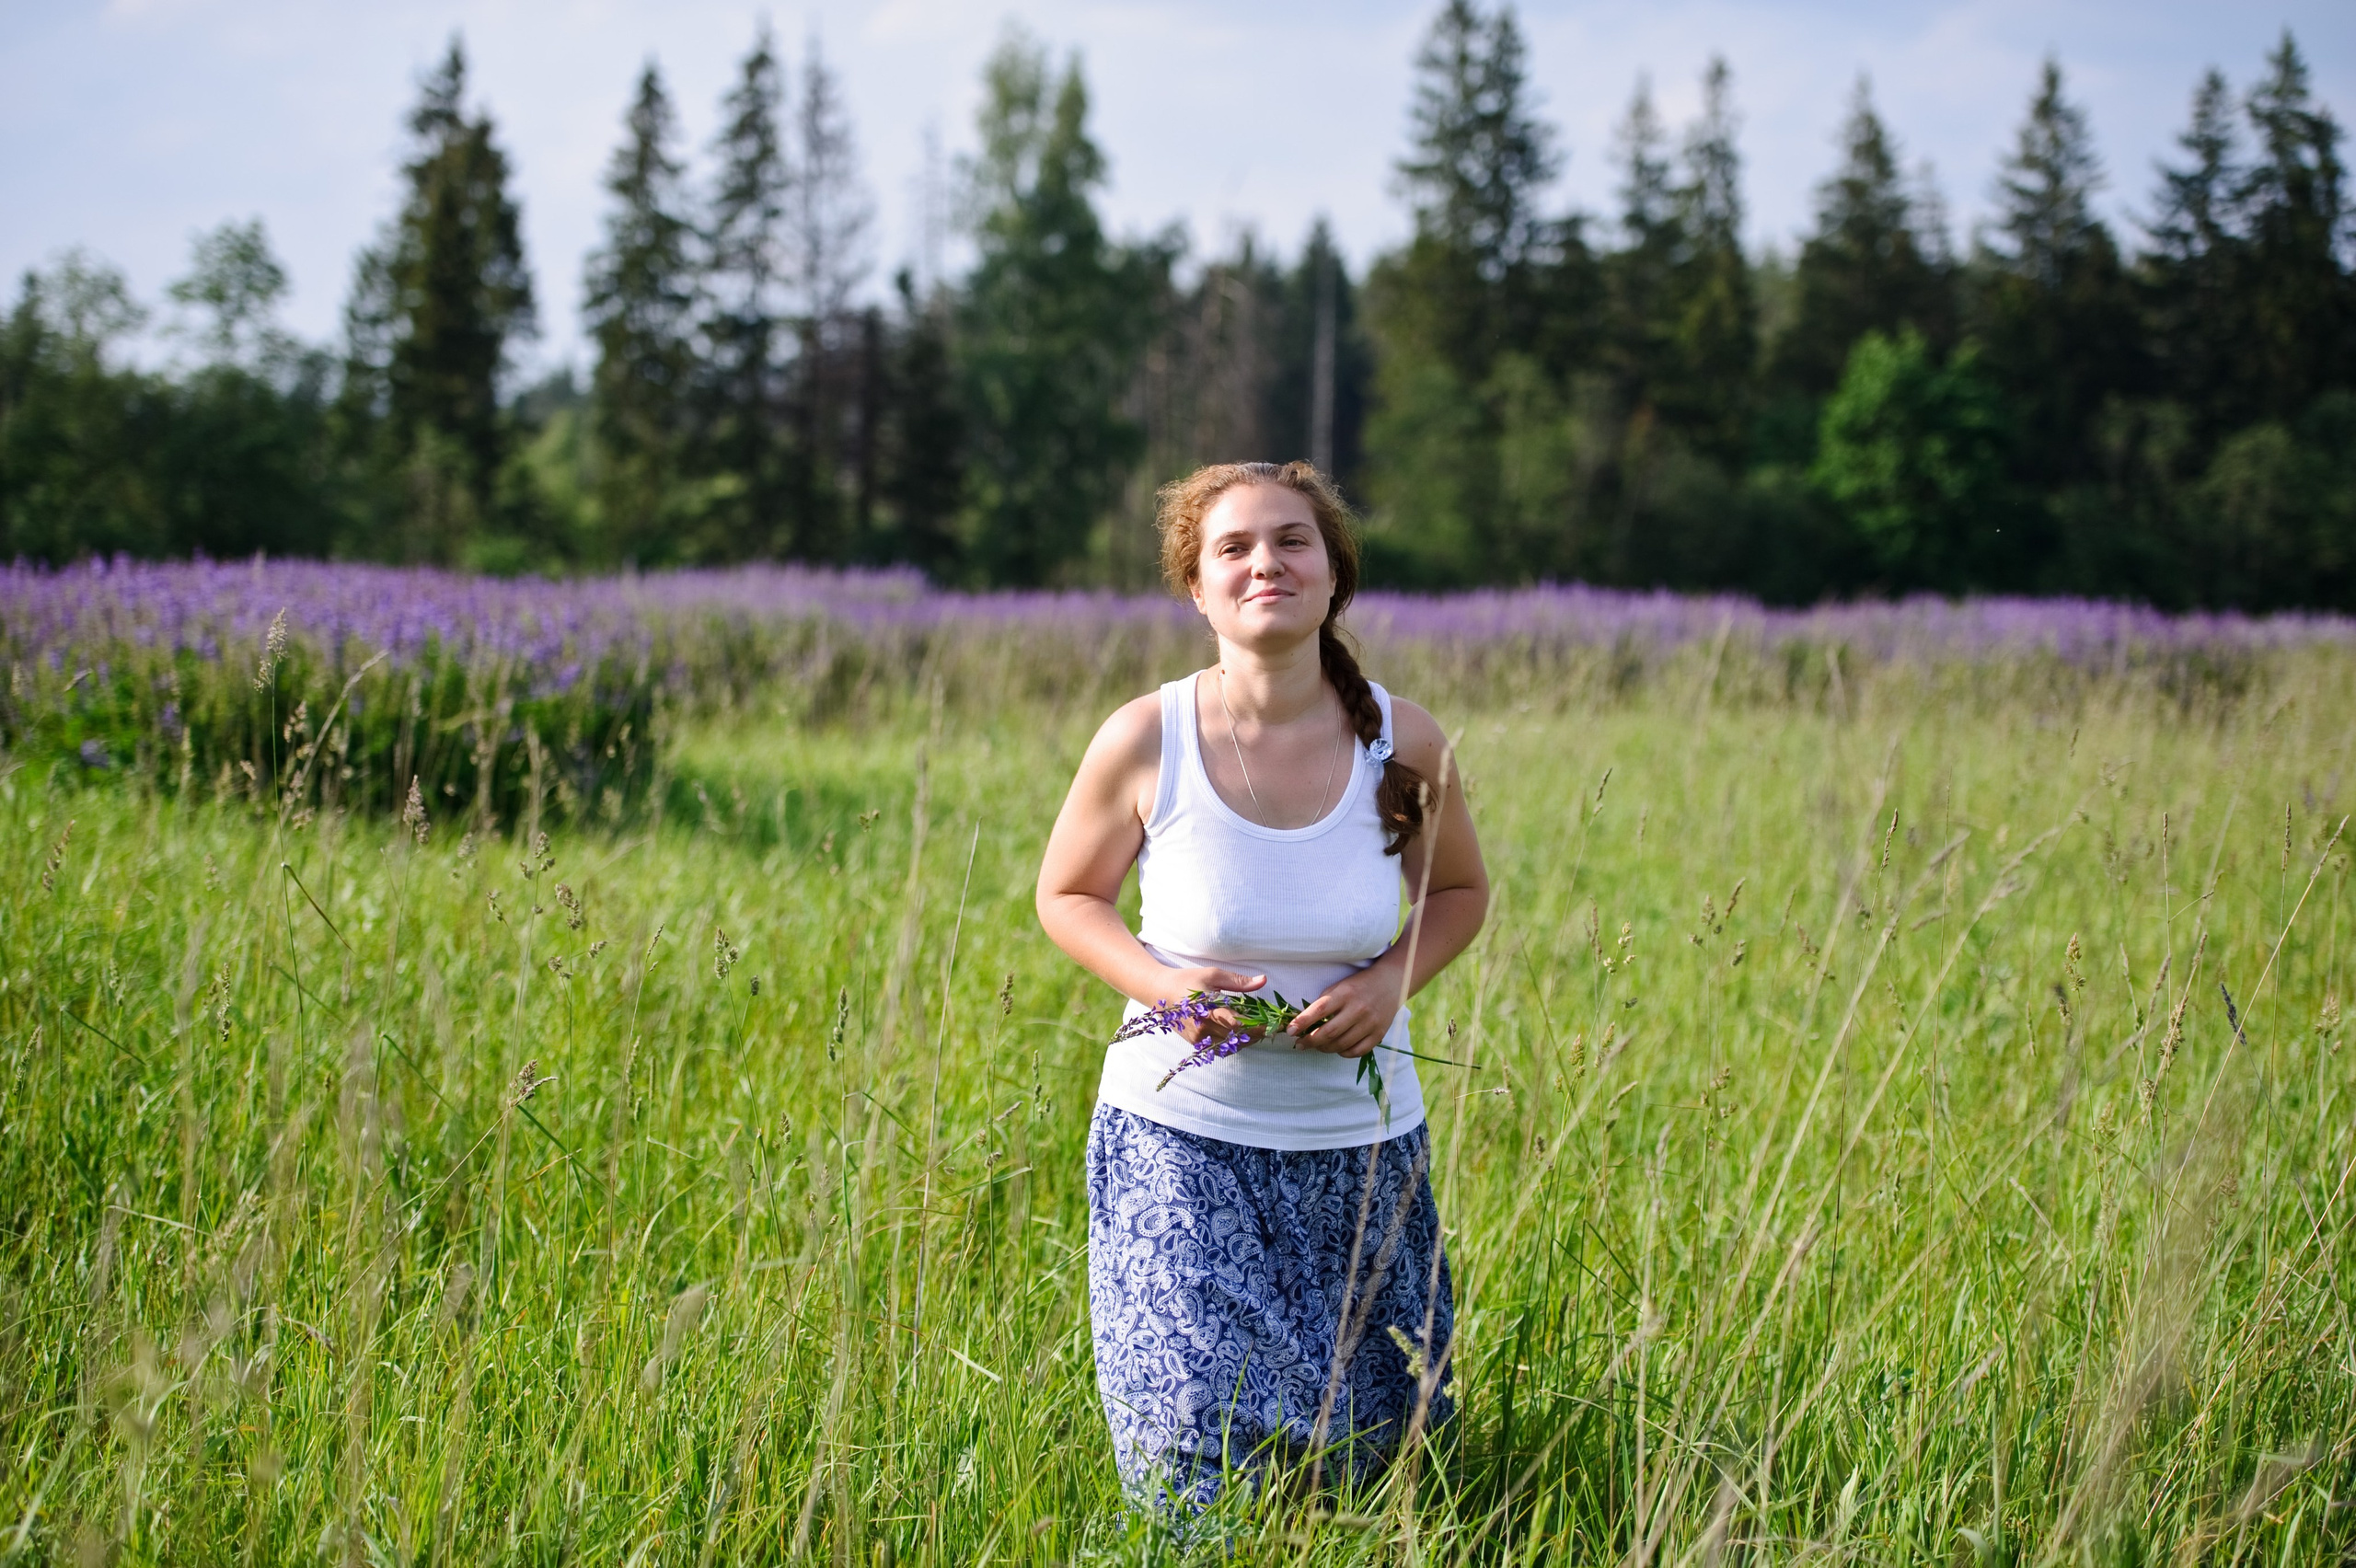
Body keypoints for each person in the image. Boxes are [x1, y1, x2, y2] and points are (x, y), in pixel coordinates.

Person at [1034, 460, 1490, 1512]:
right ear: (1197, 589)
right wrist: (1162, 985)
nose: (1263, 564)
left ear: (1334, 575)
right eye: (1231, 547)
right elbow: (1068, 896)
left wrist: (1389, 983)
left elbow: (1458, 891)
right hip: (1179, 1152)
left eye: (1292, 541)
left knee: (1373, 1471)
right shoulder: (1147, 737)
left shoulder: (1401, 739)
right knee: (1192, 1464)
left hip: (1362, 1160)